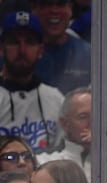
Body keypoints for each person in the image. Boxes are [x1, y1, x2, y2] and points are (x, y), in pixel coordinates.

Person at [0, 10, 63, 151]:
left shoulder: (55, 98)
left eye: (30, 42)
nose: (22, 50)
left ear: (40, 50)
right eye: (14, 42)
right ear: (1, 49)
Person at [31, 0, 90, 94]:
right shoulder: (21, 54)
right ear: (34, 9)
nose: (54, 11)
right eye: (47, 4)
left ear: (70, 8)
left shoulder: (89, 55)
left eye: (61, 4)